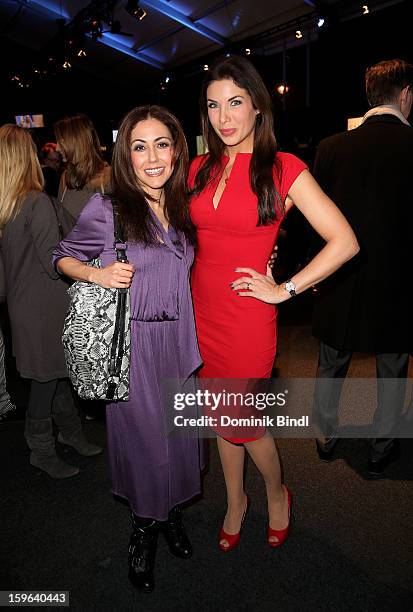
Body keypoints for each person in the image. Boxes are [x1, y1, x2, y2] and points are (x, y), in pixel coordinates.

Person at [189, 55, 359, 551]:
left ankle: (276, 493)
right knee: (221, 418)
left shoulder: (284, 168)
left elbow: (344, 241)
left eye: (236, 103)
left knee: (243, 420)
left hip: (247, 316)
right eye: (214, 105)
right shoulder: (199, 167)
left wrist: (284, 289)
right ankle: (235, 501)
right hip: (203, 312)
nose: (224, 117)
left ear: (259, 108)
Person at [53, 106, 204, 593]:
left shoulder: (184, 205)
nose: (153, 157)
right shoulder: (108, 207)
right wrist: (97, 273)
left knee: (180, 443)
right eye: (140, 147)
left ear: (178, 149)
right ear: (126, 155)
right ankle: (144, 530)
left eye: (162, 143)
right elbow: (63, 256)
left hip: (181, 343)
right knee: (145, 449)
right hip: (133, 348)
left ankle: (171, 514)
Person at [311, 59, 413, 475]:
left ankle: (323, 434)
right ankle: (382, 444)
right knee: (393, 368)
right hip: (400, 283)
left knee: (331, 362)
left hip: (341, 280)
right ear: (405, 95)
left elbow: (313, 224)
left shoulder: (331, 148)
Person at [0, 124, 101, 478]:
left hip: (24, 307)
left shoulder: (8, 205)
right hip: (44, 307)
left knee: (55, 375)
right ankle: (41, 449)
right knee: (46, 382)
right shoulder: (36, 202)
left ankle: (72, 434)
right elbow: (53, 263)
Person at [54, 113, 111, 237]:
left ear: (76, 141)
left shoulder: (109, 177)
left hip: (104, 255)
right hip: (71, 255)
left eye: (60, 141)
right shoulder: (66, 177)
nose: (57, 148)